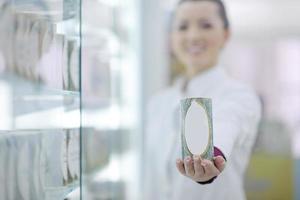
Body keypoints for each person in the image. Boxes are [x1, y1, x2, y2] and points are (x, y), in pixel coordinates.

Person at [144, 0, 261, 199]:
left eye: (205, 25)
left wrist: (213, 157)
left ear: (226, 34)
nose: (193, 36)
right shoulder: (157, 103)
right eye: (182, 27)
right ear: (172, 37)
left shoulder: (240, 96)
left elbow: (228, 121)